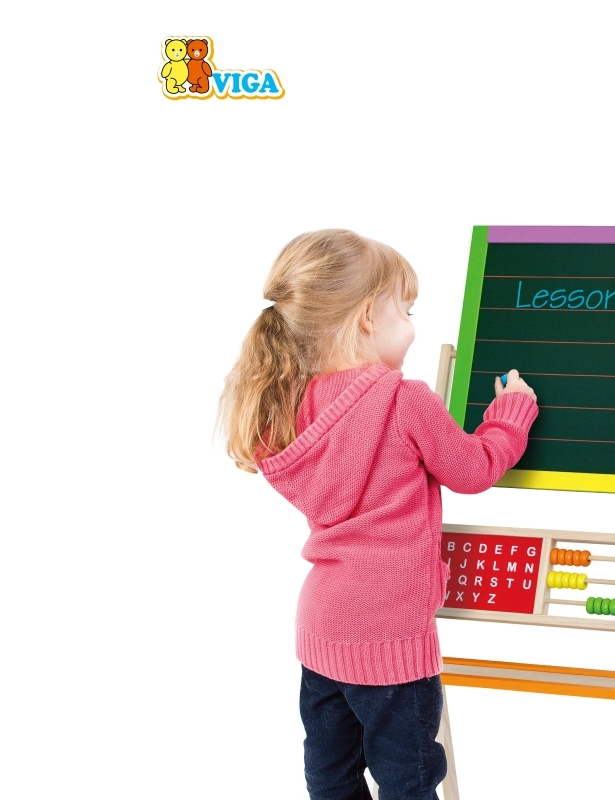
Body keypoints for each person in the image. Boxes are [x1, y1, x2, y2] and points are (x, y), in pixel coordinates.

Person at [218, 229, 538, 800]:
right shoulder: (402, 399)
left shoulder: (285, 410)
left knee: (332, 777)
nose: (412, 327)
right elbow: (473, 469)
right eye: (407, 311)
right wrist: (509, 415)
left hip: (321, 627)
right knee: (408, 780)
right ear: (368, 316)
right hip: (390, 634)